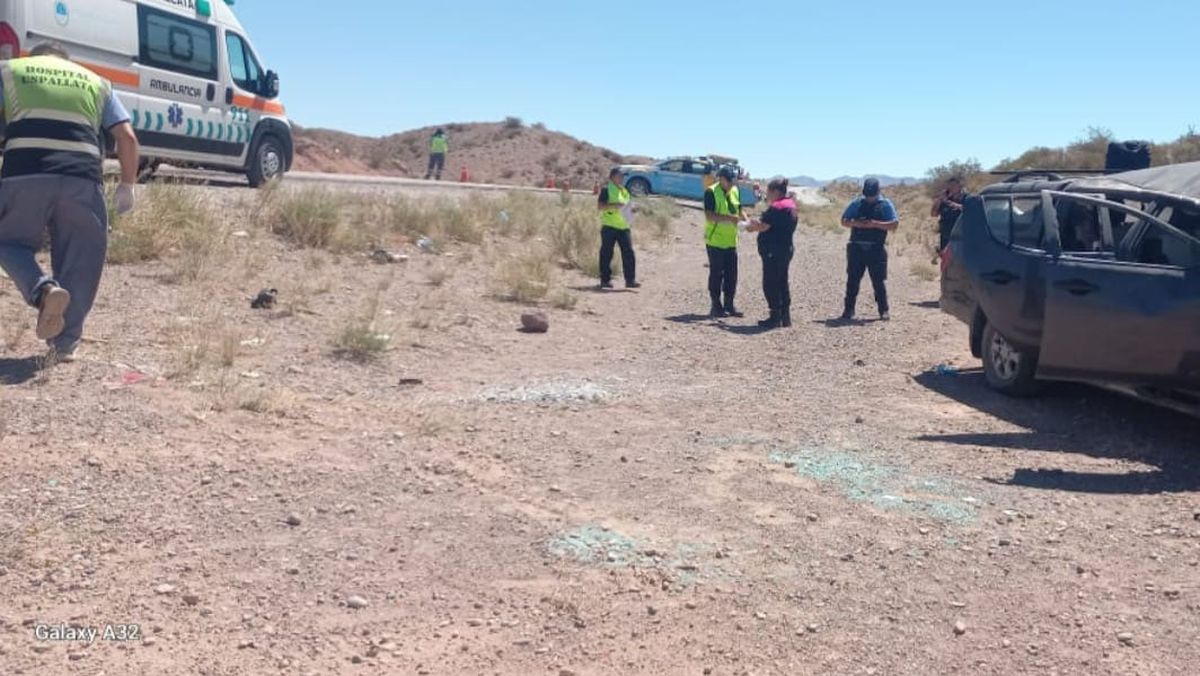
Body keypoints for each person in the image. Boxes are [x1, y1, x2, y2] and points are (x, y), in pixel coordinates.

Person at [0, 42, 139, 363]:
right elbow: (127, 138)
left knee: (7, 241)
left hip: (26, 173)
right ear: (66, 62)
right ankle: (64, 345)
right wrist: (127, 185)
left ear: (34, 59)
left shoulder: (10, 71)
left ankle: (42, 291)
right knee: (81, 258)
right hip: (83, 178)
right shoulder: (96, 81)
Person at [840, 177, 899, 322]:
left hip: (876, 248)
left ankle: (883, 310)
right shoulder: (856, 203)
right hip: (856, 247)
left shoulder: (885, 205)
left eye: (872, 195)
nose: (869, 198)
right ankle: (848, 310)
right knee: (852, 281)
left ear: (878, 192)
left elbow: (894, 225)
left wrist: (875, 224)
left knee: (878, 282)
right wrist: (858, 224)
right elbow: (844, 221)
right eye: (867, 195)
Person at [747, 178, 797, 328]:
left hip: (773, 250)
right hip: (785, 248)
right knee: (782, 281)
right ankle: (785, 316)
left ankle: (775, 316)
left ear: (775, 192)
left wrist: (750, 226)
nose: (767, 194)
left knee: (771, 283)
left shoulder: (778, 206)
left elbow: (764, 226)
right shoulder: (790, 205)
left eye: (768, 191)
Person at [704, 166, 744, 317]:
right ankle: (716, 305)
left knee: (731, 275)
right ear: (721, 179)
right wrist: (729, 218)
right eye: (729, 181)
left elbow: (739, 209)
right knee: (716, 274)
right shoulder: (711, 192)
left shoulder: (734, 190)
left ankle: (729, 305)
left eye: (733, 181)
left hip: (731, 241)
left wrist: (746, 220)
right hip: (715, 241)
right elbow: (709, 216)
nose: (732, 184)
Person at [597, 167, 638, 289]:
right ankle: (605, 280)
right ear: (612, 177)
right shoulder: (606, 190)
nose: (622, 178)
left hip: (624, 227)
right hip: (609, 226)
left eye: (623, 176)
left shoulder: (624, 191)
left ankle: (630, 280)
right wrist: (614, 205)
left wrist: (633, 210)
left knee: (629, 253)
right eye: (620, 175)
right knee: (606, 253)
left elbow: (628, 206)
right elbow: (600, 206)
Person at [931, 176, 967, 254]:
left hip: (961, 236)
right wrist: (939, 199)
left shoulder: (967, 198)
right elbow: (934, 214)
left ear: (960, 186)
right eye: (950, 185)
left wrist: (956, 205)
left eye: (954, 185)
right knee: (946, 261)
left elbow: (970, 211)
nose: (951, 188)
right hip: (946, 236)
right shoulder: (945, 200)